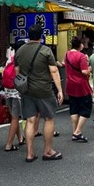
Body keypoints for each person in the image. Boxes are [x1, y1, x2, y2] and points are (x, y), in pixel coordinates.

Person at [15, 24, 64, 162]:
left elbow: (17, 72)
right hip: (44, 90)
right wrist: (60, 90)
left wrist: (21, 88)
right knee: (48, 118)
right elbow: (54, 71)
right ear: (41, 35)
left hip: (26, 90)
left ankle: (30, 153)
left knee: (30, 120)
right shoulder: (46, 50)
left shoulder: (20, 51)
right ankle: (48, 151)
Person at [64, 36, 93, 143]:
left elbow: (64, 64)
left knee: (74, 108)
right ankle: (78, 132)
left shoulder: (67, 54)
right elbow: (84, 71)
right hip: (81, 85)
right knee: (86, 108)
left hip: (70, 84)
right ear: (80, 45)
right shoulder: (81, 56)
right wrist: (90, 68)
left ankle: (74, 131)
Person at [3, 40, 26, 152]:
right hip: (17, 91)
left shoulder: (10, 58)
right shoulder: (21, 60)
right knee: (15, 117)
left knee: (14, 116)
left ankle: (20, 138)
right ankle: (9, 144)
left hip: (8, 90)